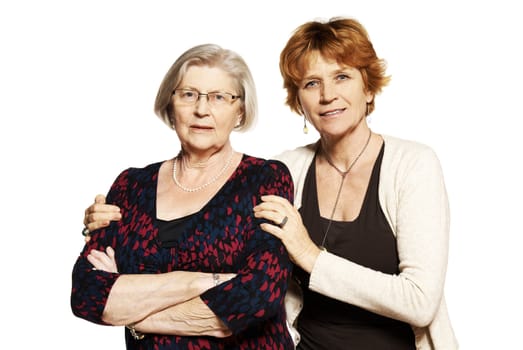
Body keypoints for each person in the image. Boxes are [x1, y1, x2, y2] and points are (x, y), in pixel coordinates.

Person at [82, 18, 458, 350]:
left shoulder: (412, 165)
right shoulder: (288, 169)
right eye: (312, 83)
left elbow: (420, 300)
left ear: (369, 87)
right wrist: (112, 224)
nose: (328, 95)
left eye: (342, 76)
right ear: (299, 100)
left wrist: (308, 254)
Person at [71, 43, 295, 349]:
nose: (202, 109)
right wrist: (201, 281)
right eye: (189, 94)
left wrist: (135, 317)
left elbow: (257, 294)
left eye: (219, 97)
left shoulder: (264, 179)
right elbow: (86, 293)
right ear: (170, 104)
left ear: (239, 111)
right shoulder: (130, 185)